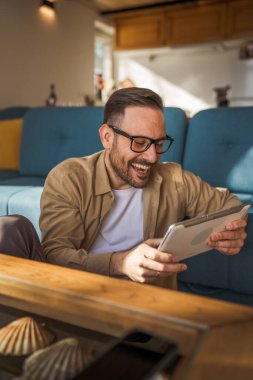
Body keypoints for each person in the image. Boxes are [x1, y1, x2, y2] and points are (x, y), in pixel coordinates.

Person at [35, 87, 246, 290]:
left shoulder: (174, 179)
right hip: (87, 303)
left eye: (159, 143)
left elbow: (231, 207)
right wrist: (121, 263)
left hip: (153, 308)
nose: (152, 156)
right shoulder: (69, 178)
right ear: (107, 137)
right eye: (139, 142)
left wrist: (232, 232)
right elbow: (56, 256)